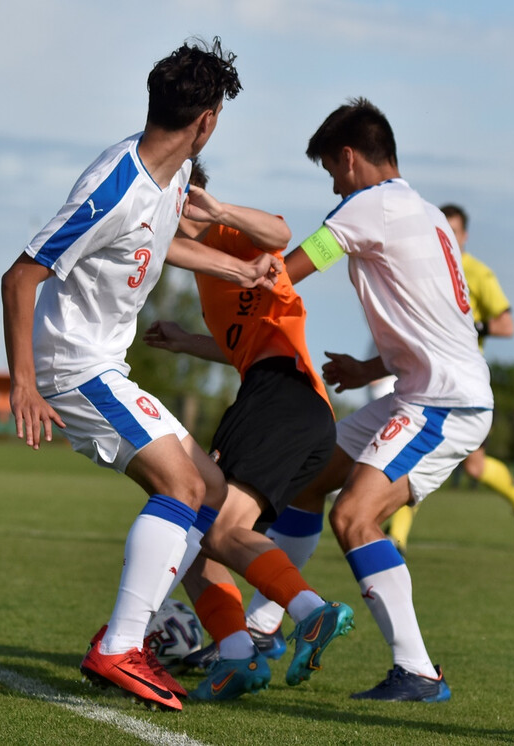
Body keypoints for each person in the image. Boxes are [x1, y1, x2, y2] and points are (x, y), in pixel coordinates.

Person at [1, 37, 282, 712]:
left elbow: (158, 243)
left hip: (102, 365)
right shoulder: (114, 186)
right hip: (74, 366)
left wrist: (237, 269)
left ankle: (172, 641)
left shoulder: (175, 171)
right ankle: (123, 644)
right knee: (184, 482)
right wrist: (23, 382)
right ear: (207, 121)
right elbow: (22, 274)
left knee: (208, 489)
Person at [282, 98, 494, 702]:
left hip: (442, 405)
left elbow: (292, 269)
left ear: (348, 158)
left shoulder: (367, 206)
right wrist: (369, 366)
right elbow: (441, 323)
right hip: (420, 393)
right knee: (306, 481)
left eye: (330, 170)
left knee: (354, 517)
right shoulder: (425, 213)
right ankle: (261, 627)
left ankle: (417, 670)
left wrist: (219, 267)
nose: (332, 184)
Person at [142, 160, 353, 701]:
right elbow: (241, 345)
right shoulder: (201, 266)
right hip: (286, 405)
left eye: (172, 194)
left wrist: (218, 209)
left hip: (281, 396)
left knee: (218, 530)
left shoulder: (227, 232)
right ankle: (238, 657)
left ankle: (309, 611)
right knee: (195, 534)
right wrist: (188, 340)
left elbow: (281, 233)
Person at [386, 204, 514, 553]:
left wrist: (474, 325)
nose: (448, 237)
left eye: (455, 231)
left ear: (465, 236)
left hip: (464, 388)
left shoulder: (477, 273)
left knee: (473, 468)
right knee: (416, 457)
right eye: (442, 229)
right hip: (426, 383)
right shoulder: (424, 271)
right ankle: (397, 537)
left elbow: (507, 324)